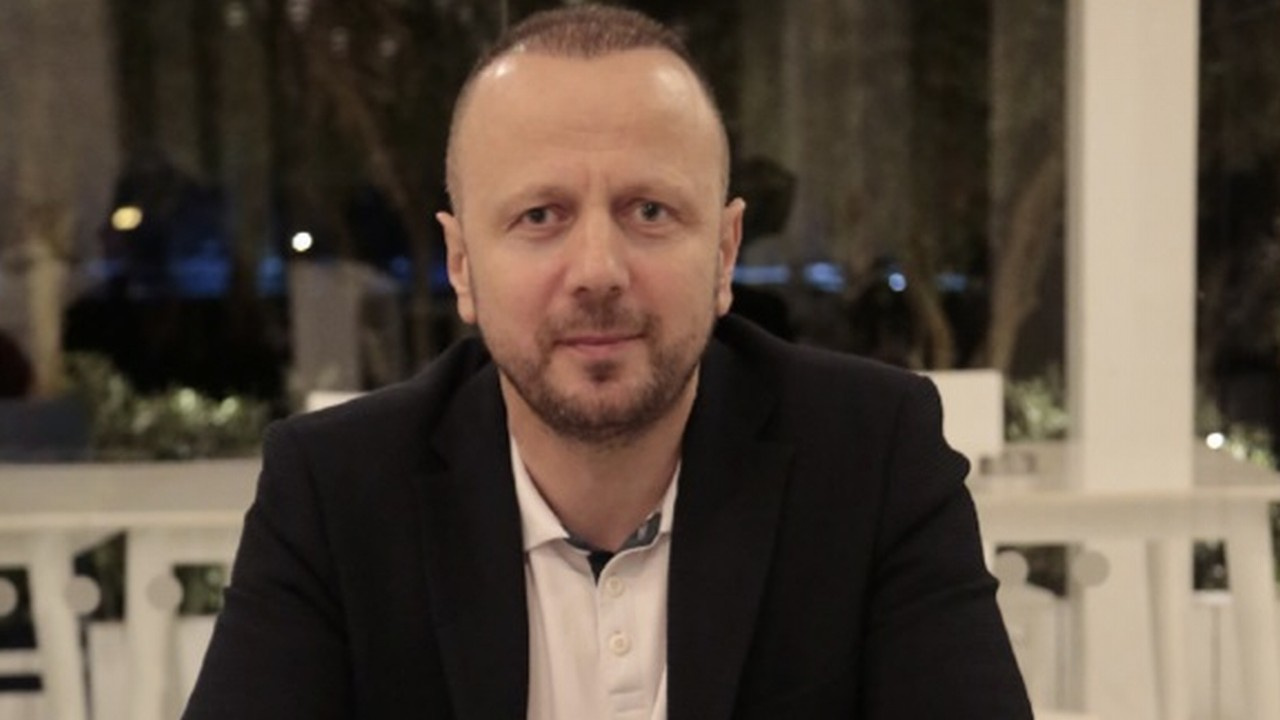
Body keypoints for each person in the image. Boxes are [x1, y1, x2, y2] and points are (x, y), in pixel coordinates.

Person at [184, 5, 1032, 719]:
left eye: (650, 211)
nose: (597, 270)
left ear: (725, 253)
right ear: (462, 264)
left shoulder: (873, 457)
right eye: (541, 216)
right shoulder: (334, 492)